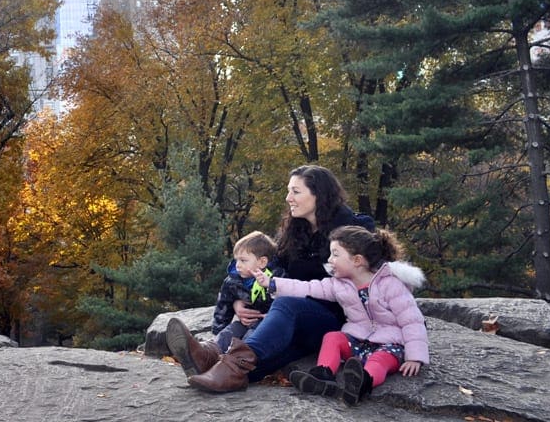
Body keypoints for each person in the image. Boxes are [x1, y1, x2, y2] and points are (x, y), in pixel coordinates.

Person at [167, 164, 375, 392]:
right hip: (286, 323)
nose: (288, 198)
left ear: (319, 194)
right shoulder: (295, 230)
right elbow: (257, 264)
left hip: (331, 323)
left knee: (287, 305)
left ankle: (222, 362)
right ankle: (211, 360)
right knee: (256, 364)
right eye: (289, 191)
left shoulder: (353, 230)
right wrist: (239, 299)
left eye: (296, 192)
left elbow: (374, 279)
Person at [256, 225, 428, 406]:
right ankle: (322, 375)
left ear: (357, 260)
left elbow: (412, 321)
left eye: (336, 254)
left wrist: (415, 356)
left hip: (390, 344)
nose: (329, 260)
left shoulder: (390, 285)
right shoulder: (338, 284)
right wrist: (273, 284)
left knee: (380, 360)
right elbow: (308, 287)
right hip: (358, 339)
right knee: (333, 337)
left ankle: (362, 383)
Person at [210, 231, 280, 353]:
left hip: (266, 323)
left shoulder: (276, 277)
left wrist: (274, 316)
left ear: (262, 262)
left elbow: (283, 299)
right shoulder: (232, 281)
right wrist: (217, 330)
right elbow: (223, 306)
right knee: (228, 333)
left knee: (250, 339)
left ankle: (233, 361)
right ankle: (210, 353)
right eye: (236, 260)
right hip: (245, 322)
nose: (238, 265)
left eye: (243, 260)